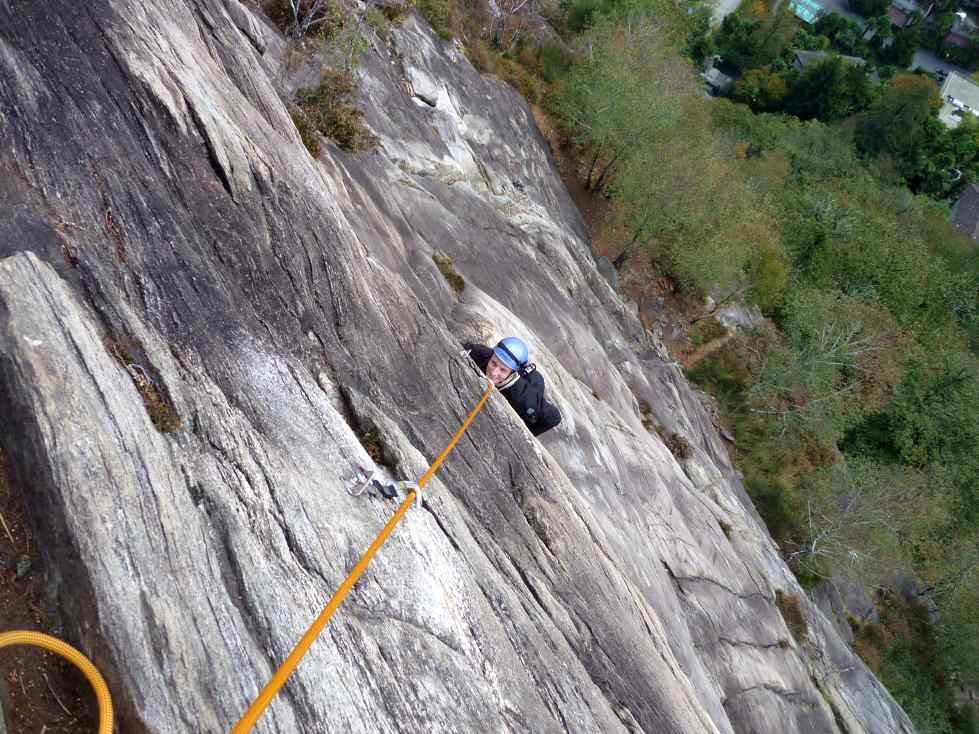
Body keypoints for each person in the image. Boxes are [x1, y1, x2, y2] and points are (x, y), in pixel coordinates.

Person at [463, 337, 562, 436]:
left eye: (503, 370)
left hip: (529, 395)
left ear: (512, 373)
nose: (494, 372)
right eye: (493, 363)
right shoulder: (482, 355)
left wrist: (527, 435)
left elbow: (553, 417)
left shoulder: (523, 395)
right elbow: (464, 349)